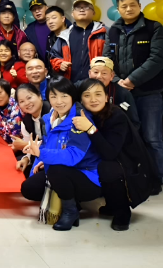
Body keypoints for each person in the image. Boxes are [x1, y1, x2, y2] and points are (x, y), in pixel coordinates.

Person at [73, 79, 159, 231]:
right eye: (87, 95)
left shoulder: (116, 115)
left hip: (130, 164)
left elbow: (110, 153)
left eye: (98, 94)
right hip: (109, 158)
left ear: (106, 97)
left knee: (107, 168)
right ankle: (111, 204)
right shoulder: (85, 115)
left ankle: (122, 212)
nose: (93, 99)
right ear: (81, 100)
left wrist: (90, 129)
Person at [20, 77, 102, 232]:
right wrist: (40, 161)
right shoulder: (49, 118)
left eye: (64, 96)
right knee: (29, 187)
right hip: (64, 172)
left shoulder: (81, 119)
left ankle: (70, 211)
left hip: (87, 175)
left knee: (56, 170)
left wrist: (42, 154)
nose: (59, 101)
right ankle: (69, 198)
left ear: (72, 96)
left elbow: (73, 156)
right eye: (53, 96)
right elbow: (47, 146)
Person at [104, 0, 163, 185]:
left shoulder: (153, 28)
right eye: (124, 6)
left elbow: (158, 58)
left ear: (140, 6)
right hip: (122, 94)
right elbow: (107, 59)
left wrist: (132, 80)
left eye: (132, 5)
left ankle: (155, 181)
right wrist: (117, 81)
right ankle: (134, 180)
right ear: (118, 9)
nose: (128, 9)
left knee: (152, 139)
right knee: (127, 138)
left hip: (148, 93)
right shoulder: (112, 31)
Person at [49, 0, 107, 84]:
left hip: (96, 83)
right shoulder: (65, 35)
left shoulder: (104, 32)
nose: (82, 9)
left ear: (93, 13)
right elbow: (53, 56)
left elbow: (111, 57)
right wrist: (60, 64)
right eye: (77, 7)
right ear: (72, 14)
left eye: (86, 7)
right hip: (70, 83)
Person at [89, 57, 140, 129]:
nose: (99, 76)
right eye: (96, 72)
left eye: (104, 73)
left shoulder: (123, 93)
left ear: (112, 76)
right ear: (89, 73)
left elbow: (134, 123)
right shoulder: (81, 88)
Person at [15, 84, 49, 176]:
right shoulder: (26, 122)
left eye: (29, 98)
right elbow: (29, 147)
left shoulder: (52, 112)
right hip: (39, 159)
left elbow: (54, 143)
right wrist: (26, 159)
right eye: (22, 101)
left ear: (39, 96)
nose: (26, 103)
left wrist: (26, 144)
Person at [45, 6, 70, 71]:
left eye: (54, 18)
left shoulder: (71, 35)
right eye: (47, 19)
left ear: (63, 19)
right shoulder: (50, 38)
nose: (50, 22)